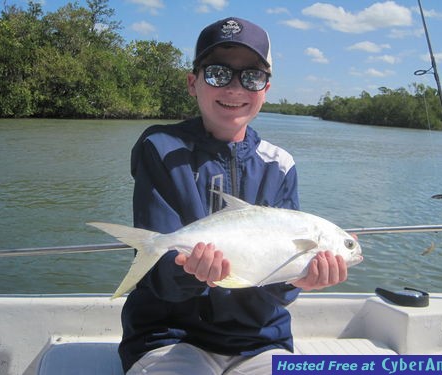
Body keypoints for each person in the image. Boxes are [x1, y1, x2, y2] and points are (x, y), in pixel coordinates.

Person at [120, 17, 348, 375]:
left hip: (260, 341)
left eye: (252, 76)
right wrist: (190, 272)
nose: (235, 88)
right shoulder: (161, 149)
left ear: (266, 88)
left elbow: (279, 288)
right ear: (193, 83)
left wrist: (301, 279)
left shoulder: (281, 165)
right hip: (168, 336)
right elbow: (159, 280)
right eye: (218, 74)